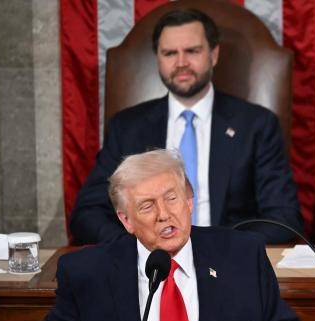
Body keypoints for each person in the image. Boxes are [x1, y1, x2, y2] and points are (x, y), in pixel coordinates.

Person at [27, 149, 312, 321]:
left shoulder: (241, 255)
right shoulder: (88, 271)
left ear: (189, 201)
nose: (164, 214)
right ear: (126, 220)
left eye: (171, 198)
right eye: (147, 205)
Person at [69, 8, 302, 245]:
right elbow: (87, 214)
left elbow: (283, 217)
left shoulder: (256, 125)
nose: (181, 63)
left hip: (227, 261)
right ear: (158, 59)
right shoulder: (128, 127)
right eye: (170, 53)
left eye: (192, 51)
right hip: (151, 264)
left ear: (214, 55)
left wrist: (219, 246)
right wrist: (135, 248)